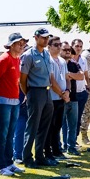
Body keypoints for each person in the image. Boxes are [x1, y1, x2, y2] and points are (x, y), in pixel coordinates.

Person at [20, 28, 56, 167]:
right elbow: (22, 79)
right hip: (35, 92)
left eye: (47, 38)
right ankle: (27, 158)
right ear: (36, 38)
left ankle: (39, 156)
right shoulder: (29, 55)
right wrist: (28, 93)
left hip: (47, 91)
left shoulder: (46, 54)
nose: (46, 40)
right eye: (43, 37)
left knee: (44, 126)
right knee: (33, 126)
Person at [0, 32, 27, 176]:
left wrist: (22, 94)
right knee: (3, 134)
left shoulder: (17, 59)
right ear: (12, 44)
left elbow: (17, 81)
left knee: (10, 133)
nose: (22, 46)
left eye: (22, 43)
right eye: (19, 43)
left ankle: (9, 162)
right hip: (3, 102)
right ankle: (1, 165)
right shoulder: (4, 59)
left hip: (14, 101)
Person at [45, 37, 70, 160]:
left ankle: (57, 150)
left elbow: (67, 78)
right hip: (52, 98)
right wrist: (61, 93)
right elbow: (51, 80)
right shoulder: (48, 60)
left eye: (60, 44)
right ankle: (49, 152)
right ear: (49, 47)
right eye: (56, 45)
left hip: (61, 98)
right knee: (50, 126)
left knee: (58, 125)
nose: (59, 47)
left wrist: (67, 91)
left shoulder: (62, 61)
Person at [62, 41, 84, 155]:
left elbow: (81, 76)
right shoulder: (58, 63)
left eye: (69, 50)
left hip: (74, 98)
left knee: (73, 125)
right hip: (60, 98)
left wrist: (69, 74)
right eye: (65, 50)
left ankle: (71, 146)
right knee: (59, 125)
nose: (67, 52)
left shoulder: (73, 63)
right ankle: (61, 147)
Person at [67, 38, 88, 151]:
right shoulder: (67, 60)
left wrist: (88, 85)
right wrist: (73, 75)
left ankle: (74, 140)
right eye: (76, 46)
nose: (78, 48)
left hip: (82, 92)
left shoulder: (83, 59)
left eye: (80, 46)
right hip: (70, 94)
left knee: (78, 119)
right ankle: (67, 142)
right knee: (68, 121)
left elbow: (84, 74)